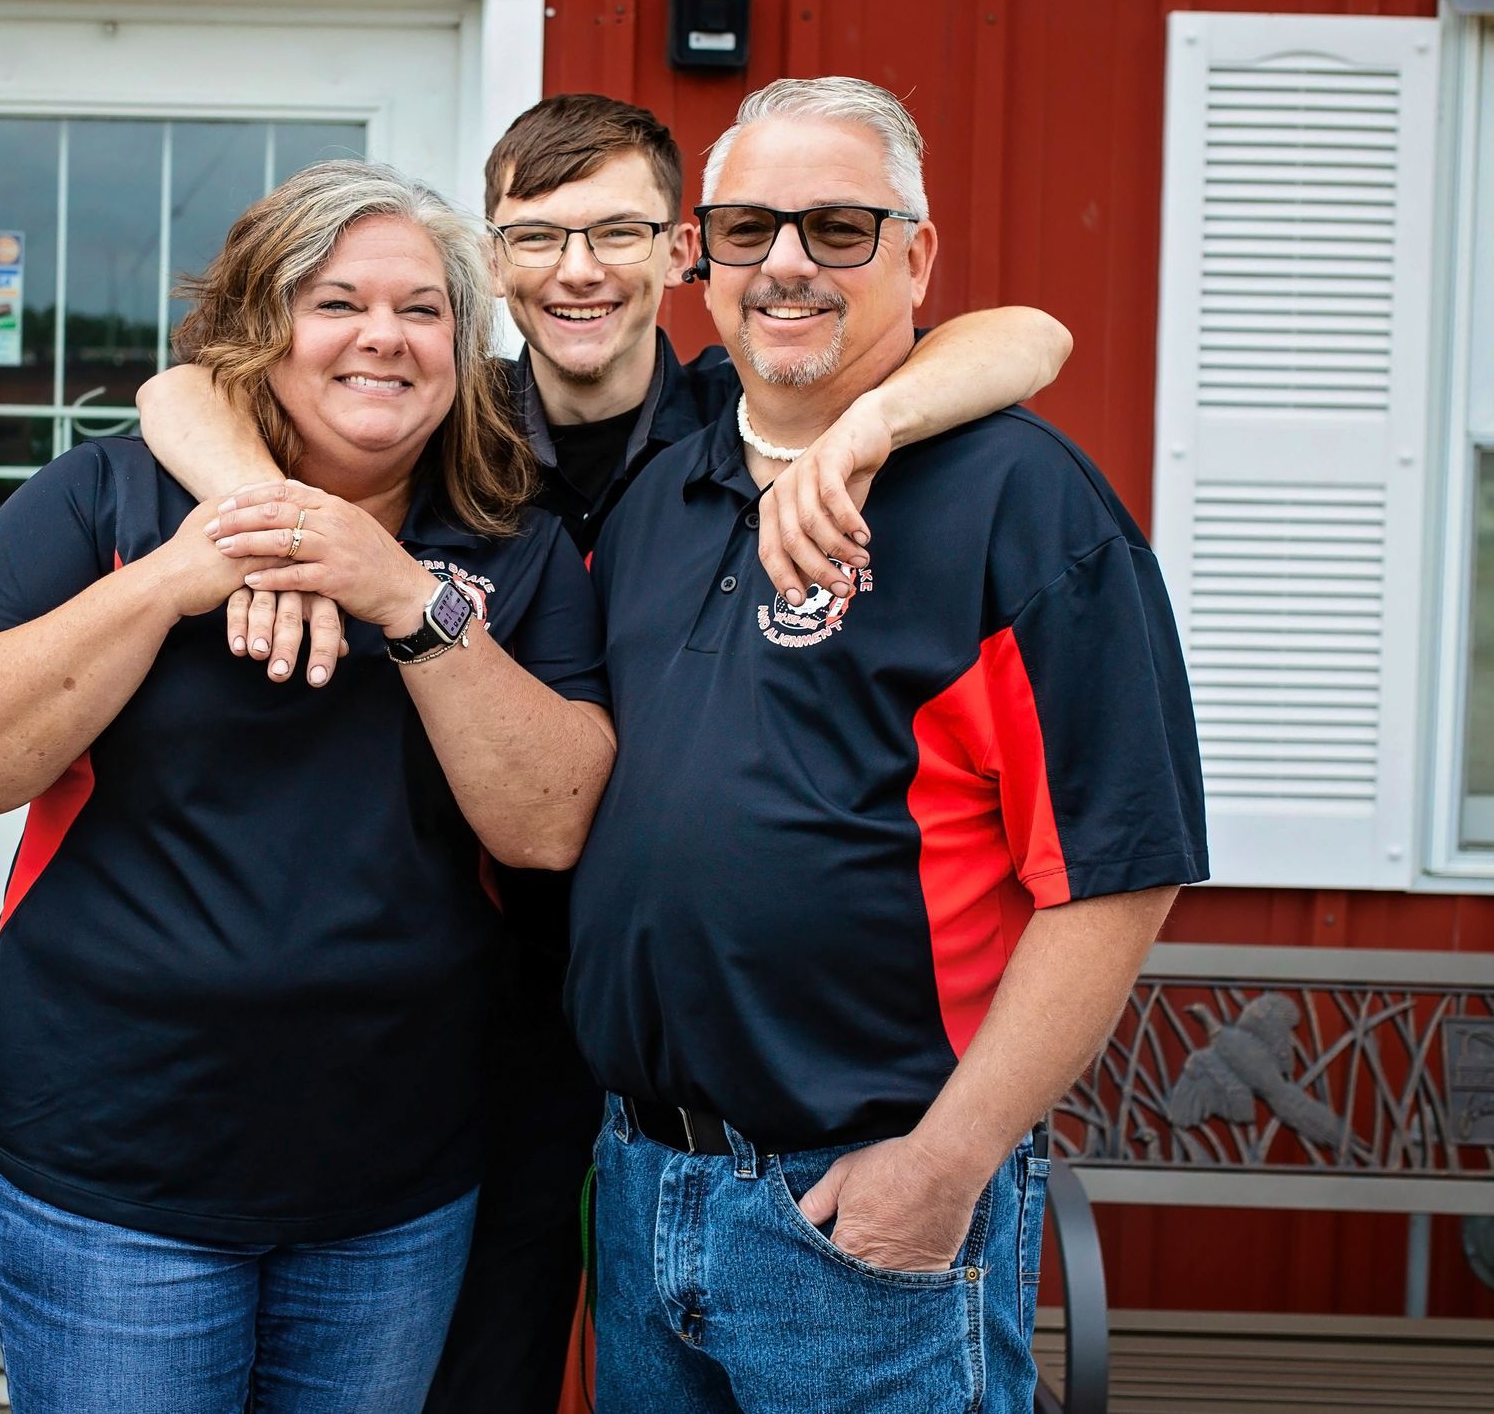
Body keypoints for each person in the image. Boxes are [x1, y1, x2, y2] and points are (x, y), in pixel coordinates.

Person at [137, 94, 1074, 1414]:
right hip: (484, 991)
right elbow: (181, 384)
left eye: (618, 231)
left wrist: (866, 432)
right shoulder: (444, 416)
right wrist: (268, 522)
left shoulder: (745, 415)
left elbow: (1029, 336)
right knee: (482, 1361)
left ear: (680, 250)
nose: (578, 269)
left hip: (725, 1027)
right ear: (494, 258)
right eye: (536, 236)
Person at [0, 160, 617, 1414]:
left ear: (460, 349)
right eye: (336, 303)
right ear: (262, 332)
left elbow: (548, 826)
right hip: (115, 1165)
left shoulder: (515, 541)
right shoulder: (112, 497)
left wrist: (403, 595)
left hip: (391, 1178)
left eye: (423, 309)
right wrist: (180, 574)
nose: (383, 335)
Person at [565, 76, 1209, 1414]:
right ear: (701, 259)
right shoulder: (663, 484)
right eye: (748, 228)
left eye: (840, 228)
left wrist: (945, 1163)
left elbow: (1118, 868)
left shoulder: (1021, 501)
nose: (786, 263)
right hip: (643, 1181)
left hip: (863, 1203)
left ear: (917, 257)